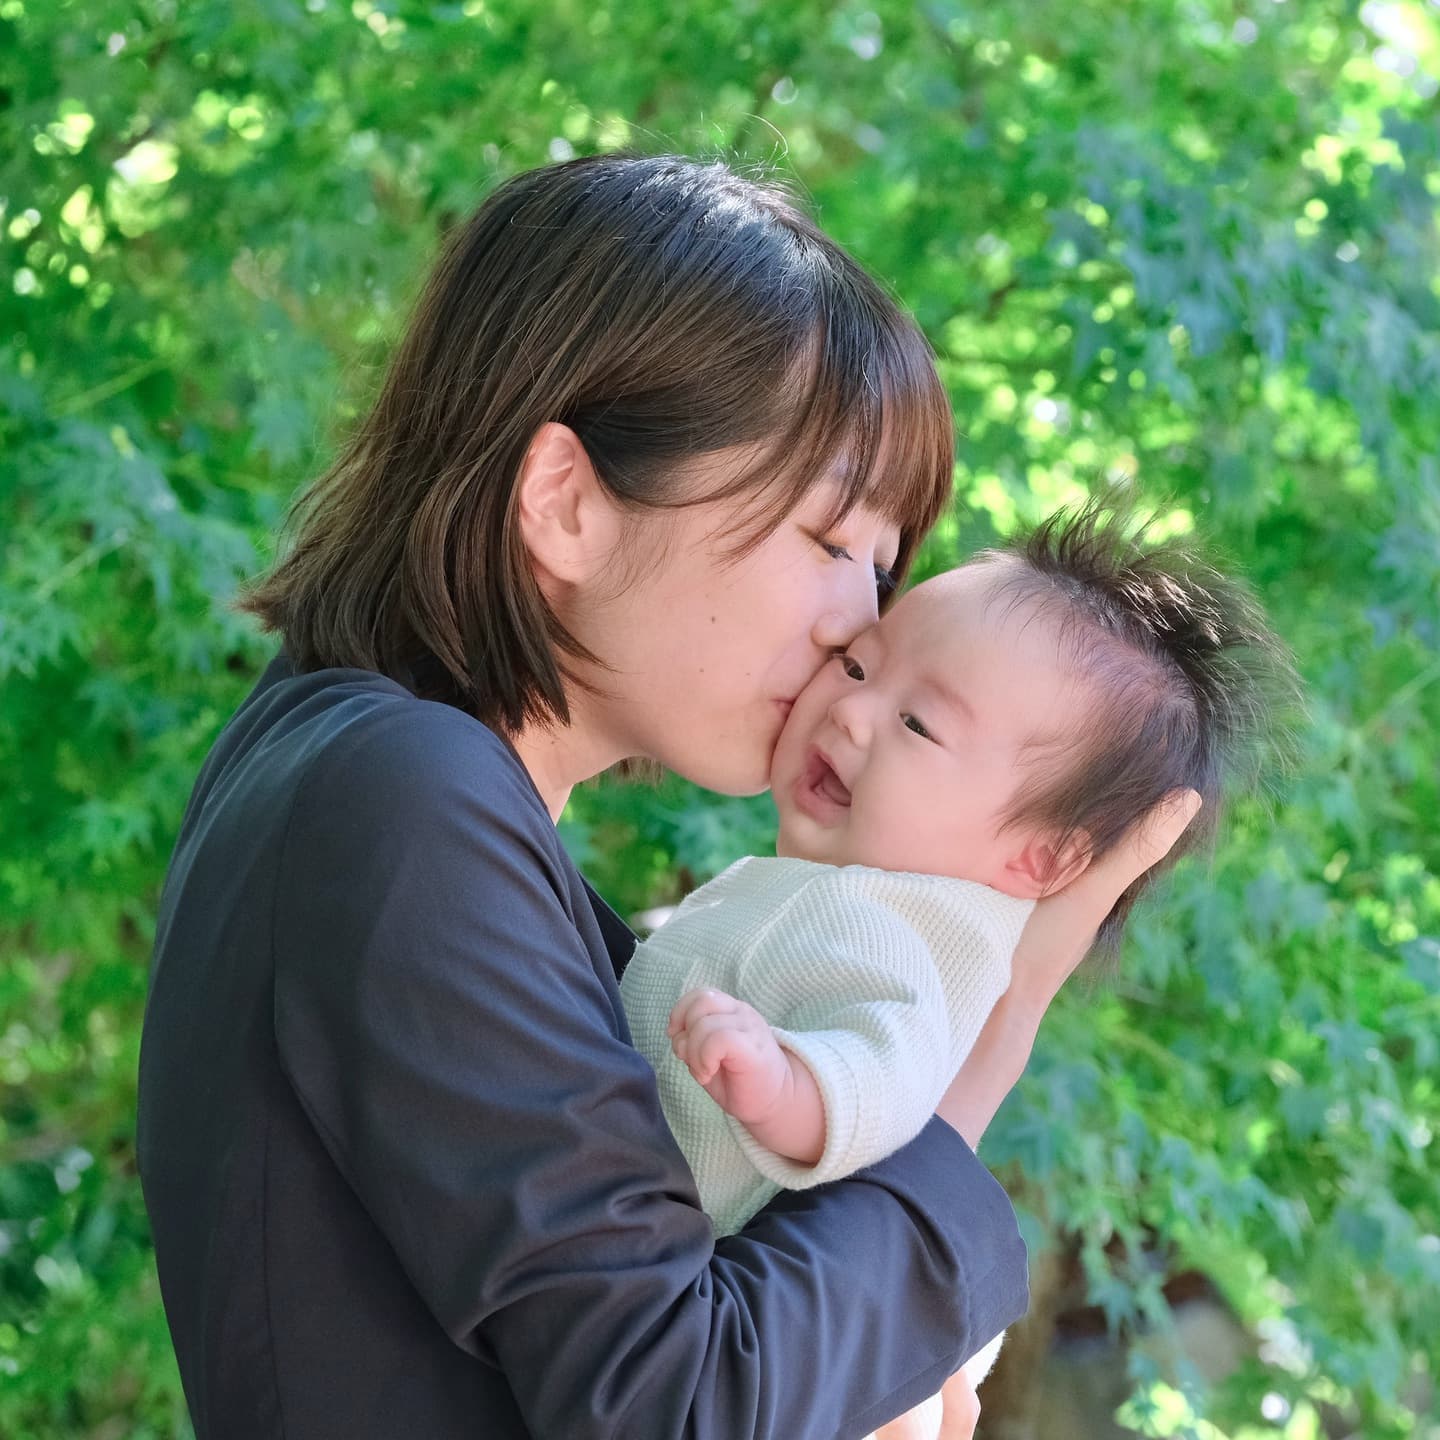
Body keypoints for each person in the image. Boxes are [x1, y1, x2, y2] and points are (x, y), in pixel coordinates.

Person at [135, 153, 1194, 1440]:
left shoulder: (349, 765)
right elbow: (677, 1401)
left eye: (883, 564)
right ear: (567, 503)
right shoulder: (400, 796)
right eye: (833, 544)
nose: (863, 623)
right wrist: (982, 1053)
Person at [621, 495, 1290, 1422]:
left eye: (920, 727)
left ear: (1044, 858)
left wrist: (785, 1085)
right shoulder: (831, 891)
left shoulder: (906, 933)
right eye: (857, 666)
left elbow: (887, 1072)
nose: (852, 712)